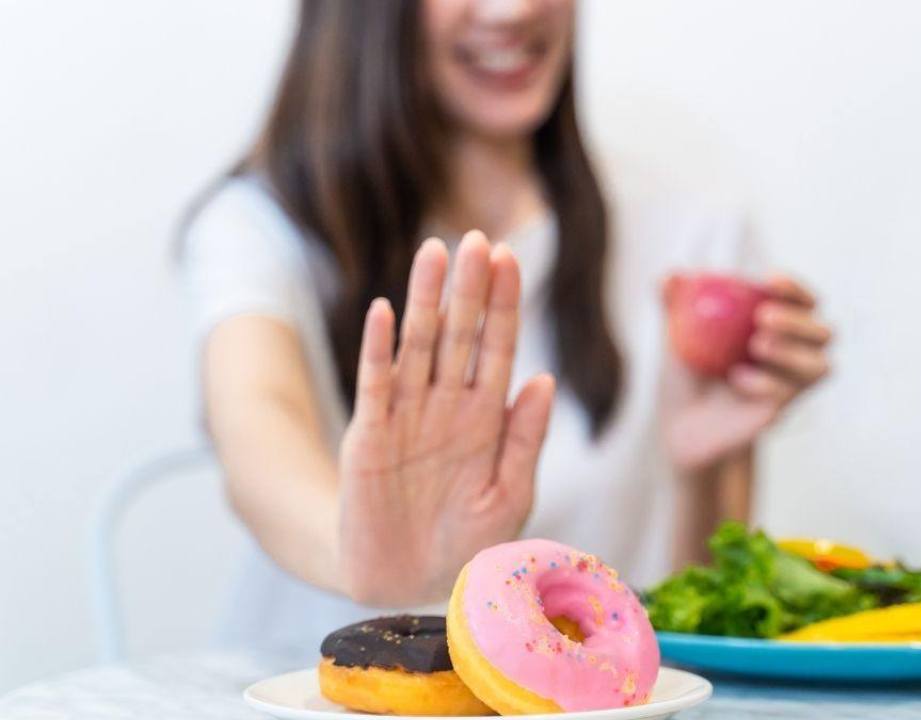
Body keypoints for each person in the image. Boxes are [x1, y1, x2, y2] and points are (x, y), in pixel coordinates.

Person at [182, 0, 831, 655]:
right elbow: (258, 428)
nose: (514, 10)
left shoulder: (692, 238)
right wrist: (362, 550)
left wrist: (698, 470)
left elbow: (703, 633)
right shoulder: (260, 227)